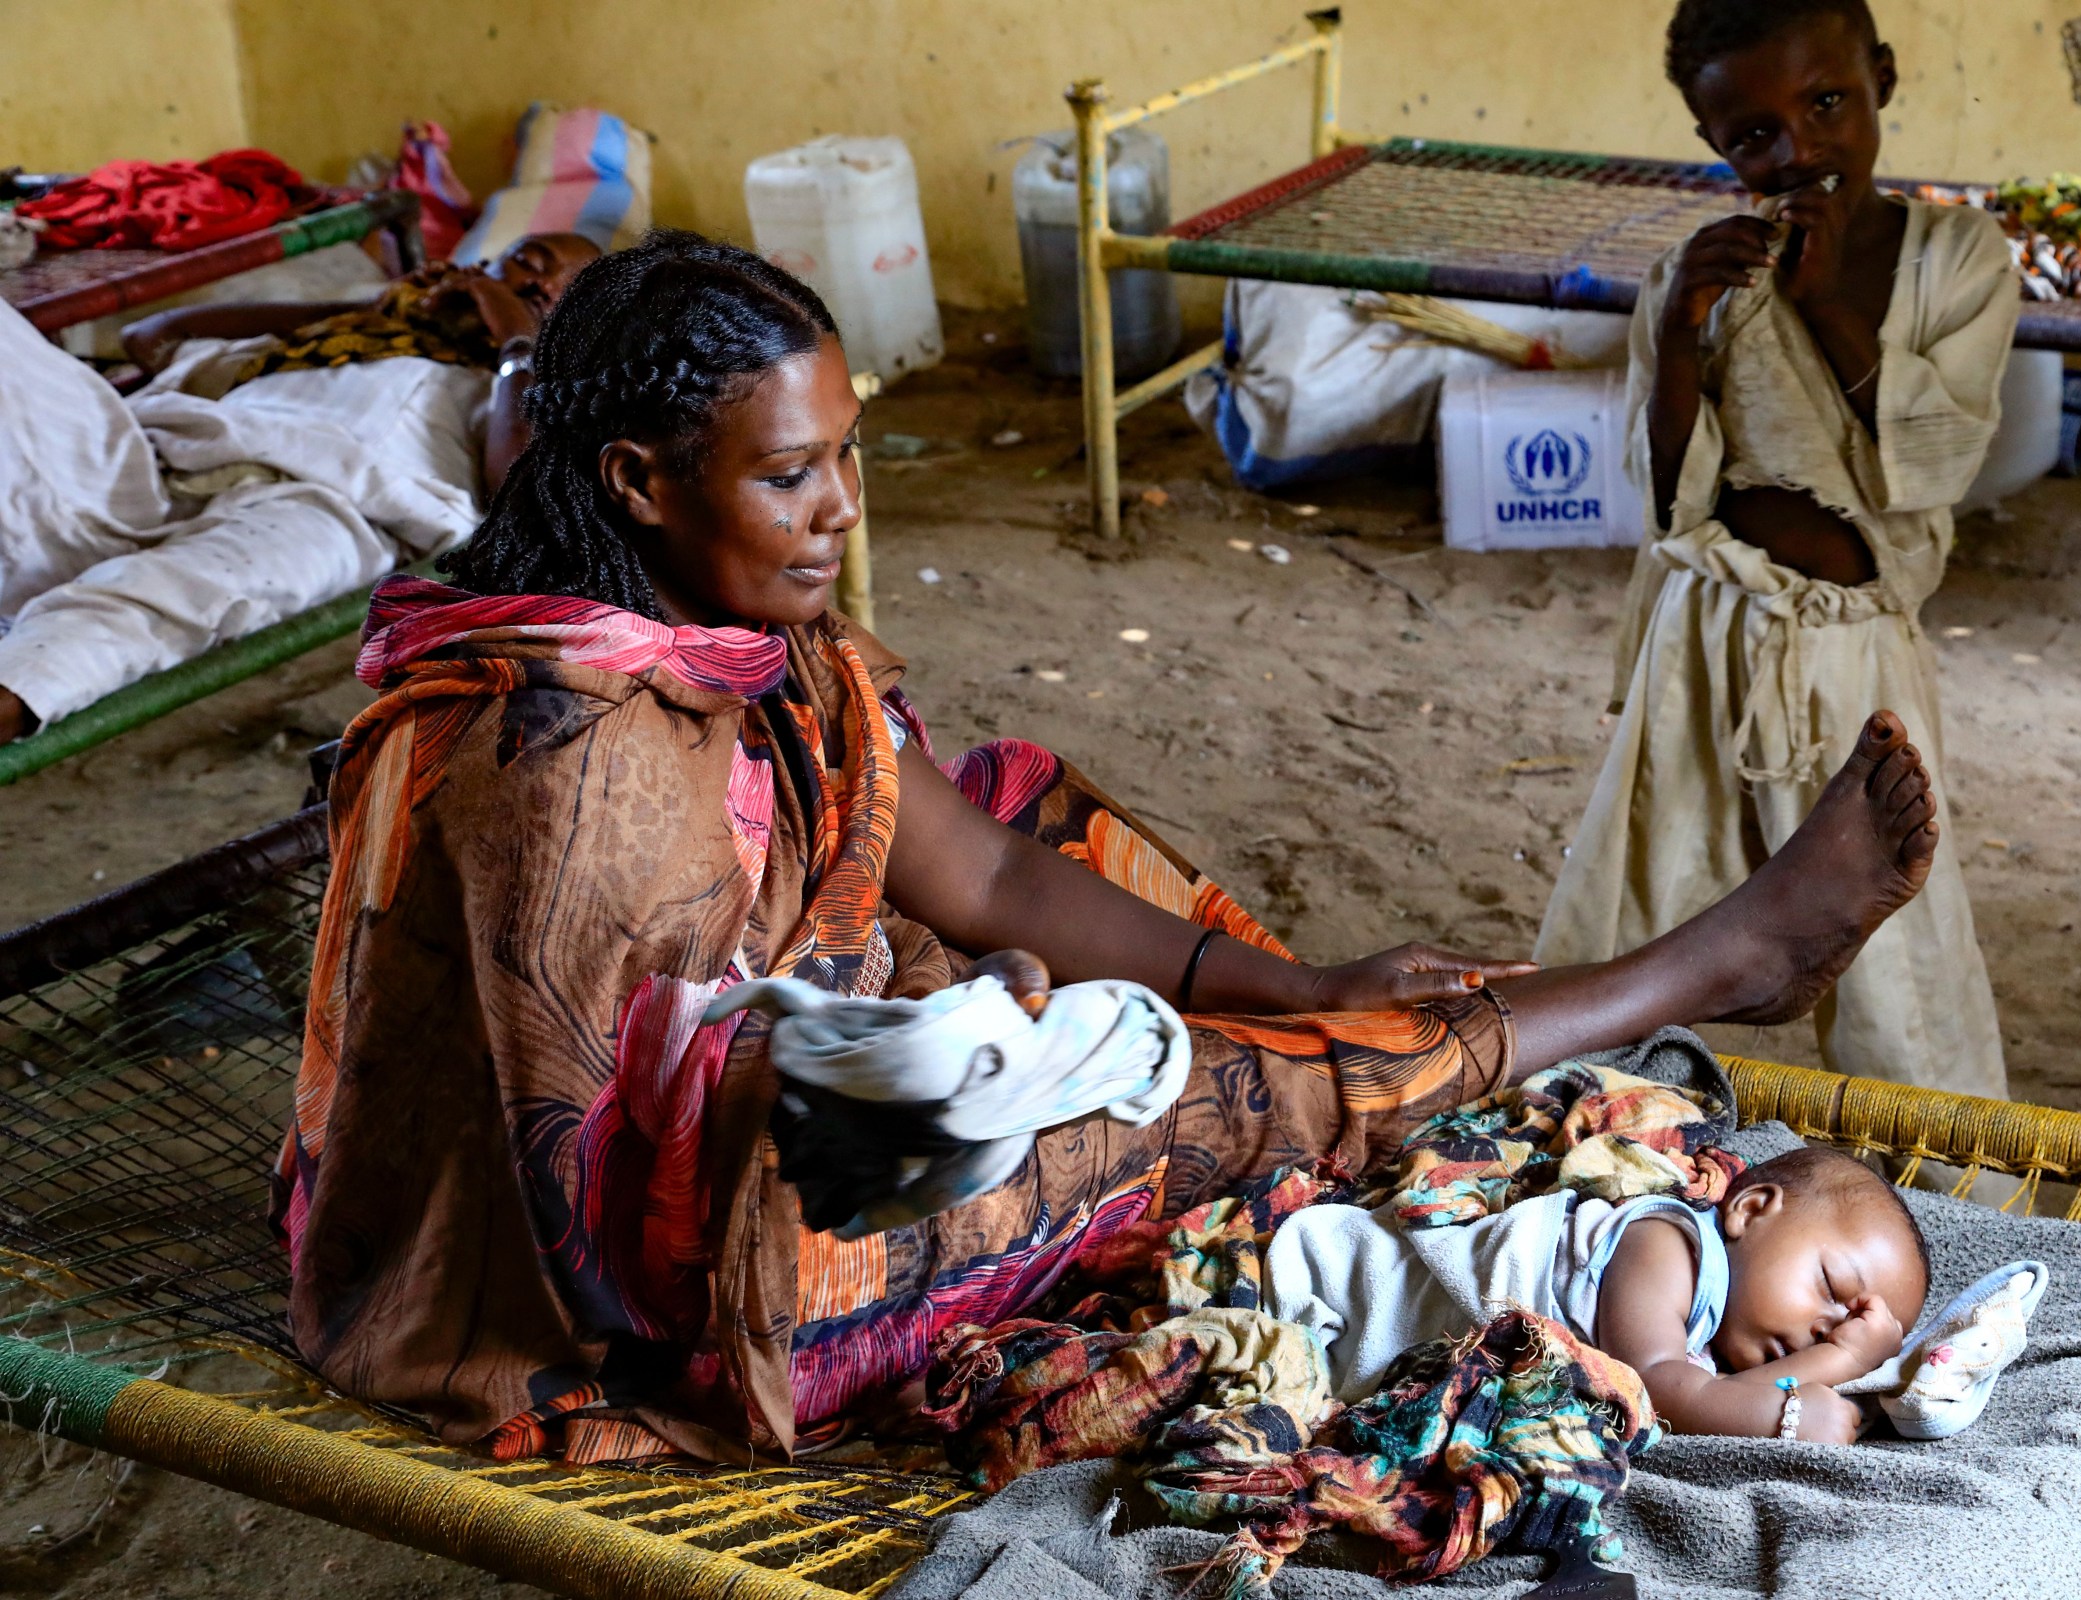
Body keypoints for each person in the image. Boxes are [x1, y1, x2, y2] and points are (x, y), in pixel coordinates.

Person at [277, 230, 1948, 1466]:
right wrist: (964, 1062)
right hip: (683, 1282)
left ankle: (1504, 1008)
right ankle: (1689, 971)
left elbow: (987, 880)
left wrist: (1290, 979)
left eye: (849, 453)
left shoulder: (743, 653)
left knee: (1035, 821)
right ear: (636, 480)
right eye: (792, 476)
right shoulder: (554, 768)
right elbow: (627, 1212)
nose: (844, 508)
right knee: (1174, 1108)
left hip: (810, 1066)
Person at [1534, 0, 2018, 1100]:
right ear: (1713, 145)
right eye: (1754, 136)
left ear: (1883, 78)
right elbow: (1664, 500)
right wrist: (1680, 342)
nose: (1797, 150)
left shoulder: (1957, 260)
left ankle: (1951, 1196)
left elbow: (1934, 463)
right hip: (1704, 639)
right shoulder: (1696, 276)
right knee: (1644, 907)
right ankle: (1587, 1129)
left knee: (1898, 952)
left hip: (1857, 661)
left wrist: (1829, 299)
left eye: (1828, 104)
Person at [0, 233, 601, 745]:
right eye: (530, 260)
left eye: (566, 297)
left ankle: (16, 685)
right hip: (152, 460)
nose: (540, 286)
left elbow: (517, 491)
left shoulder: (517, 394)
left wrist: (520, 345)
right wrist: (373, 308)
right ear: (480, 271)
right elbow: (152, 336)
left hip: (338, 509)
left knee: (180, 593)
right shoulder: (351, 337)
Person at [1263, 1144, 1928, 1443]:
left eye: (1842, 1329)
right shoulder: (1664, 1247)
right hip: (1330, 1281)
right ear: (1751, 1210)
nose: (1825, 1330)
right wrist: (1826, 1376)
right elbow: (1660, 1393)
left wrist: (1825, 1374)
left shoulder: (1718, 1336)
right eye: (1833, 1289)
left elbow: (1709, 1396)